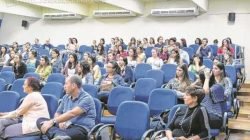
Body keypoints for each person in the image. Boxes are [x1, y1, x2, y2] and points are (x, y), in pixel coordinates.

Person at [36, 75, 96, 140]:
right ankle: (58, 135)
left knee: (52, 126)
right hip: (65, 126)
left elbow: (72, 113)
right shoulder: (66, 97)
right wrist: (59, 122)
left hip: (80, 128)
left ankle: (58, 135)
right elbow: (58, 113)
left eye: (66, 83)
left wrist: (53, 121)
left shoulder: (87, 98)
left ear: (73, 86)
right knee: (40, 121)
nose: (64, 86)